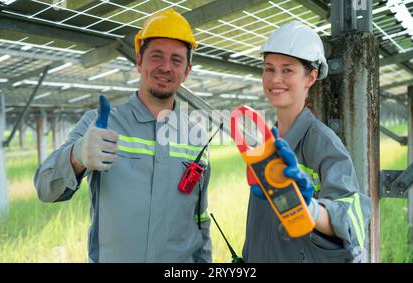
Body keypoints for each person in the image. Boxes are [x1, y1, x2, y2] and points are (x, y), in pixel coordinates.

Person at [34, 8, 212, 263]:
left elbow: (200, 218)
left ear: (186, 71)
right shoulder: (100, 124)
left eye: (176, 60)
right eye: (156, 56)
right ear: (139, 61)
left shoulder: (195, 136)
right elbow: (44, 188)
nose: (165, 67)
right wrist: (76, 156)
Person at [243, 21, 372, 263]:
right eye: (269, 68)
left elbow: (354, 219)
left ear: (310, 78)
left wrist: (309, 208)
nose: (275, 79)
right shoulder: (266, 144)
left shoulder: (324, 143)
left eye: (287, 70)